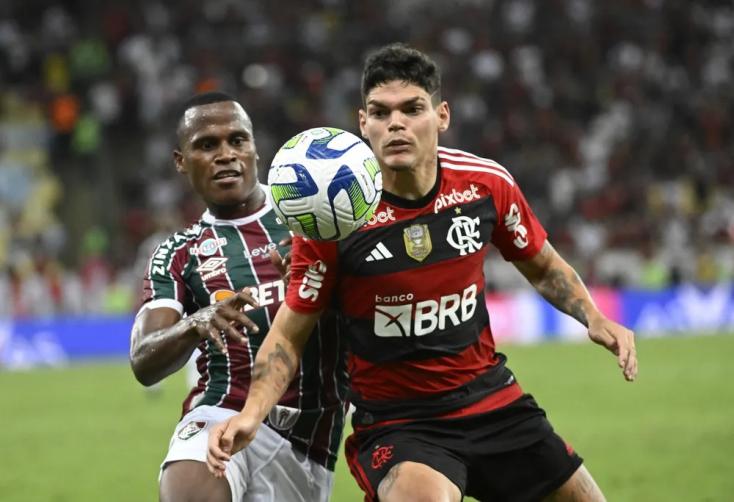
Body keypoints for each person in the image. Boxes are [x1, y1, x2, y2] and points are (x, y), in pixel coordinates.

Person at [206, 44, 638, 502]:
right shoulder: (335, 219)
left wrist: (594, 316)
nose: (396, 124)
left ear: (441, 116)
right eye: (381, 112)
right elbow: (289, 335)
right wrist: (251, 414)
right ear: (362, 123)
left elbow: (544, 266)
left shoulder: (485, 184)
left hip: (493, 402)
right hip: (400, 423)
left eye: (412, 109)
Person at [129, 91, 348, 502]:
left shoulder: (313, 217)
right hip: (222, 412)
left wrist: (326, 292)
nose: (225, 155)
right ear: (181, 161)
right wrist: (195, 323)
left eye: (237, 140)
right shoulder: (178, 253)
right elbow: (143, 359)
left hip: (310, 439)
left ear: (255, 149)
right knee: (188, 489)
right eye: (206, 145)